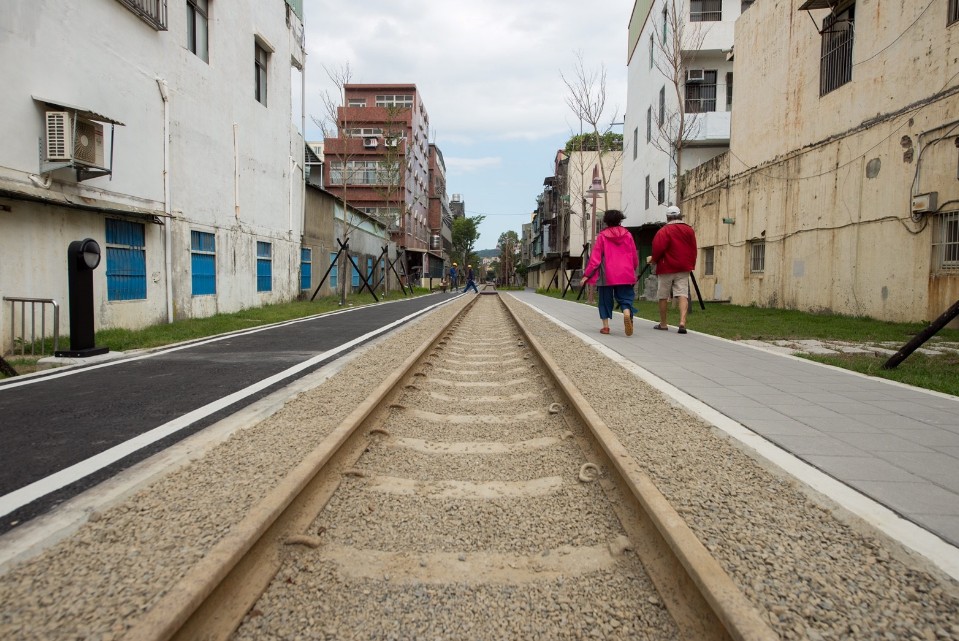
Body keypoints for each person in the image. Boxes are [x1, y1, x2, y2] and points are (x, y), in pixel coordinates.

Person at [582, 209, 639, 336]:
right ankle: (626, 312)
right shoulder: (628, 235)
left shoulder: (602, 236)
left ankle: (606, 327)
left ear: (606, 221)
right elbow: (634, 255)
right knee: (625, 297)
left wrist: (587, 275)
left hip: (606, 274)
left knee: (605, 300)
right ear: (620, 219)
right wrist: (633, 268)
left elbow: (595, 259)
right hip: (625, 272)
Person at [648, 205, 698, 334]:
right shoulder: (689, 230)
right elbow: (693, 248)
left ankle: (663, 323)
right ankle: (682, 322)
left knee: (663, 295)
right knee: (682, 293)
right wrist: (691, 263)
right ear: (680, 215)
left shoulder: (664, 231)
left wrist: (654, 260)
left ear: (667, 217)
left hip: (666, 266)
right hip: (683, 267)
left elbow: (658, 249)